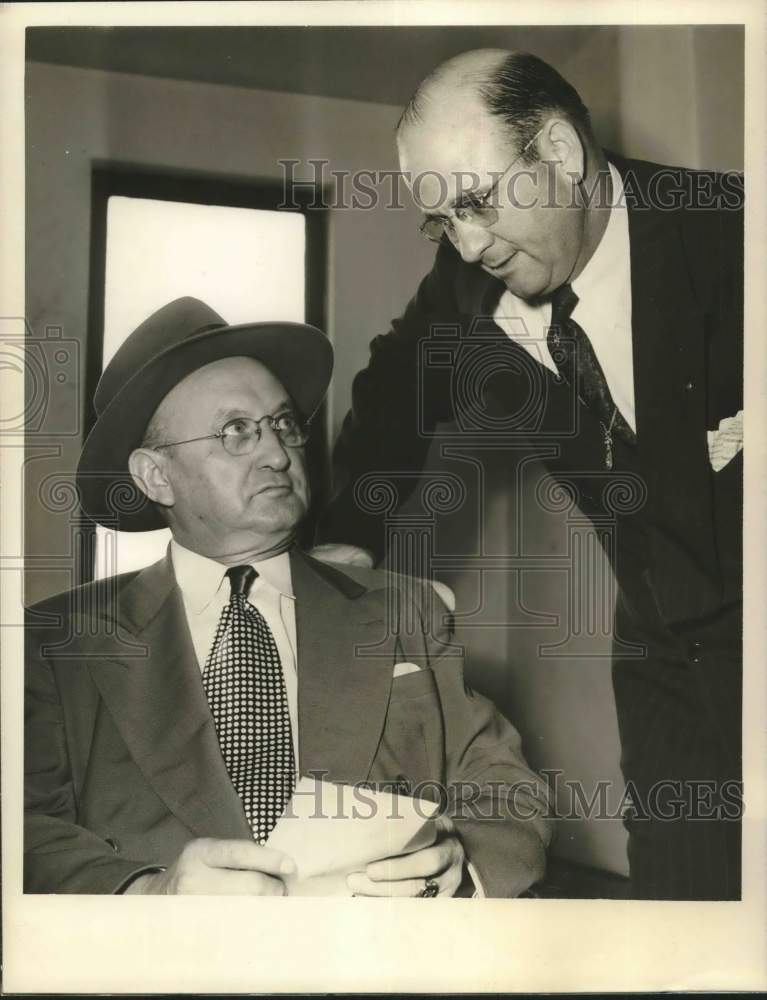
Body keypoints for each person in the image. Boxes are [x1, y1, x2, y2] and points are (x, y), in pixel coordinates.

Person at [315, 49, 743, 900]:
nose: (468, 246)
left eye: (474, 203)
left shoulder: (733, 236)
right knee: (678, 905)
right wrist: (344, 548)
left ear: (559, 149)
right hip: (660, 637)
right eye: (442, 222)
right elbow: (393, 395)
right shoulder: (465, 289)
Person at [24, 295, 551, 897]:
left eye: (283, 425)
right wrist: (148, 893)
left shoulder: (405, 612)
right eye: (236, 433)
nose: (278, 454)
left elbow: (507, 788)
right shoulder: (56, 643)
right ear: (155, 476)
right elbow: (24, 826)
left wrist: (463, 862)